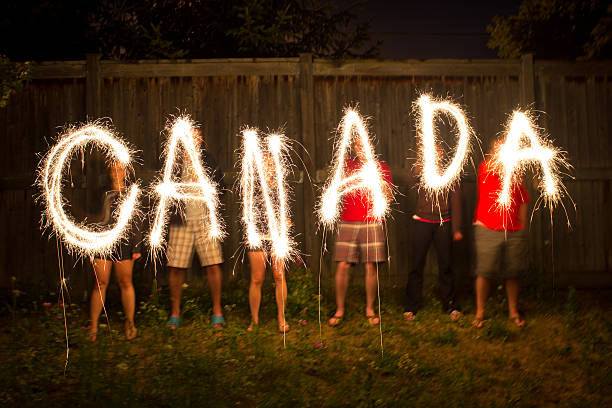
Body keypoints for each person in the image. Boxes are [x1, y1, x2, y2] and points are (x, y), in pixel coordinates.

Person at [165, 129, 226, 329]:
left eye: (197, 135)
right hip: (180, 221)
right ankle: (175, 313)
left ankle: (217, 311)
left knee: (213, 264)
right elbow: (164, 190)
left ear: (201, 139)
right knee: (176, 266)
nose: (194, 139)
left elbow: (222, 187)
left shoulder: (208, 159)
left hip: (204, 221)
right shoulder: (174, 161)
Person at [328, 142, 393, 326]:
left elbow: (388, 197)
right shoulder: (347, 165)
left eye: (363, 144)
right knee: (342, 266)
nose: (360, 148)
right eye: (357, 145)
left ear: (371, 145)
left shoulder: (381, 167)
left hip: (372, 221)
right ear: (354, 148)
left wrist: (378, 180)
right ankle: (339, 310)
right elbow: (337, 186)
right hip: (348, 220)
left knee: (371, 266)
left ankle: (370, 309)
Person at [472, 142, 529, 328]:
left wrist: (522, 225)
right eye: (498, 148)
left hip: (513, 230)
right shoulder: (486, 167)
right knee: (485, 271)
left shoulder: (516, 173)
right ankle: (480, 312)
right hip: (487, 227)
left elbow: (523, 199)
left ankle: (513, 311)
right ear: (492, 153)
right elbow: (497, 169)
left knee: (513, 272)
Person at [89, 162, 141, 341]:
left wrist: (136, 246)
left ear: (126, 172)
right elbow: (93, 219)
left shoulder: (131, 194)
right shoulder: (101, 193)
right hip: (103, 242)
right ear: (110, 172)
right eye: (114, 169)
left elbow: (137, 221)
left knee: (125, 282)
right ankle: (94, 327)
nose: (117, 172)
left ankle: (130, 323)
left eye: (120, 169)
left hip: (124, 243)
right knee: (100, 283)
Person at [404, 171, 463, 321]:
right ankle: (411, 306)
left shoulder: (450, 172)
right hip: (421, 221)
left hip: (444, 222)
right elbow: (409, 182)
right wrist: (417, 168)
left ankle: (450, 305)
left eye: (438, 150)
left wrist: (456, 229)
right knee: (416, 265)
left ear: (442, 154)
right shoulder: (420, 170)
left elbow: (455, 199)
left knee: (446, 265)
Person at [245, 154, 290, 334]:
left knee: (279, 276)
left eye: (271, 162)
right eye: (264, 162)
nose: (268, 166)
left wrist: (286, 220)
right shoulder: (252, 185)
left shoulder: (280, 186)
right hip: (258, 235)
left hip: (277, 236)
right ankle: (254, 320)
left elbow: (286, 208)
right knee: (257, 278)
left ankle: (281, 317)